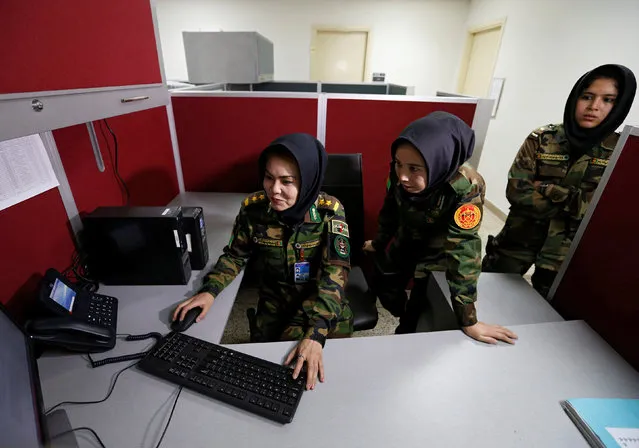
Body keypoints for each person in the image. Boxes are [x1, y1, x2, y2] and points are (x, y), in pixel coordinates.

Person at [172, 133, 354, 390]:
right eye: (269, 177)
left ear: (309, 181)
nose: (274, 189)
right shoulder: (253, 209)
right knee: (265, 372)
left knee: (318, 379)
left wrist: (316, 332)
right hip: (275, 301)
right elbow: (235, 256)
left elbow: (334, 274)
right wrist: (210, 291)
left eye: (287, 181)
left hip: (318, 303)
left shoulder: (329, 211)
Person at [482, 64, 637, 298]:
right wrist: (574, 204)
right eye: (587, 96)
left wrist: (546, 188)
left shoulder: (621, 153)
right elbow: (517, 190)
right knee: (487, 299)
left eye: (607, 100)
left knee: (549, 320)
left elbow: (599, 212)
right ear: (575, 97)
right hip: (516, 242)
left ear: (620, 105)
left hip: (567, 256)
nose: (594, 106)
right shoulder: (543, 137)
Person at [363, 111, 518, 344]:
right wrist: (379, 243)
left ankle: (404, 337)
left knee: (416, 313)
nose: (403, 176)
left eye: (414, 169)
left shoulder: (466, 186)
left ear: (439, 161)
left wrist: (469, 320)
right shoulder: (400, 173)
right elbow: (390, 212)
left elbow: (464, 248)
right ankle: (401, 314)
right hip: (406, 241)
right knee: (388, 291)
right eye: (399, 164)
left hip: (439, 253)